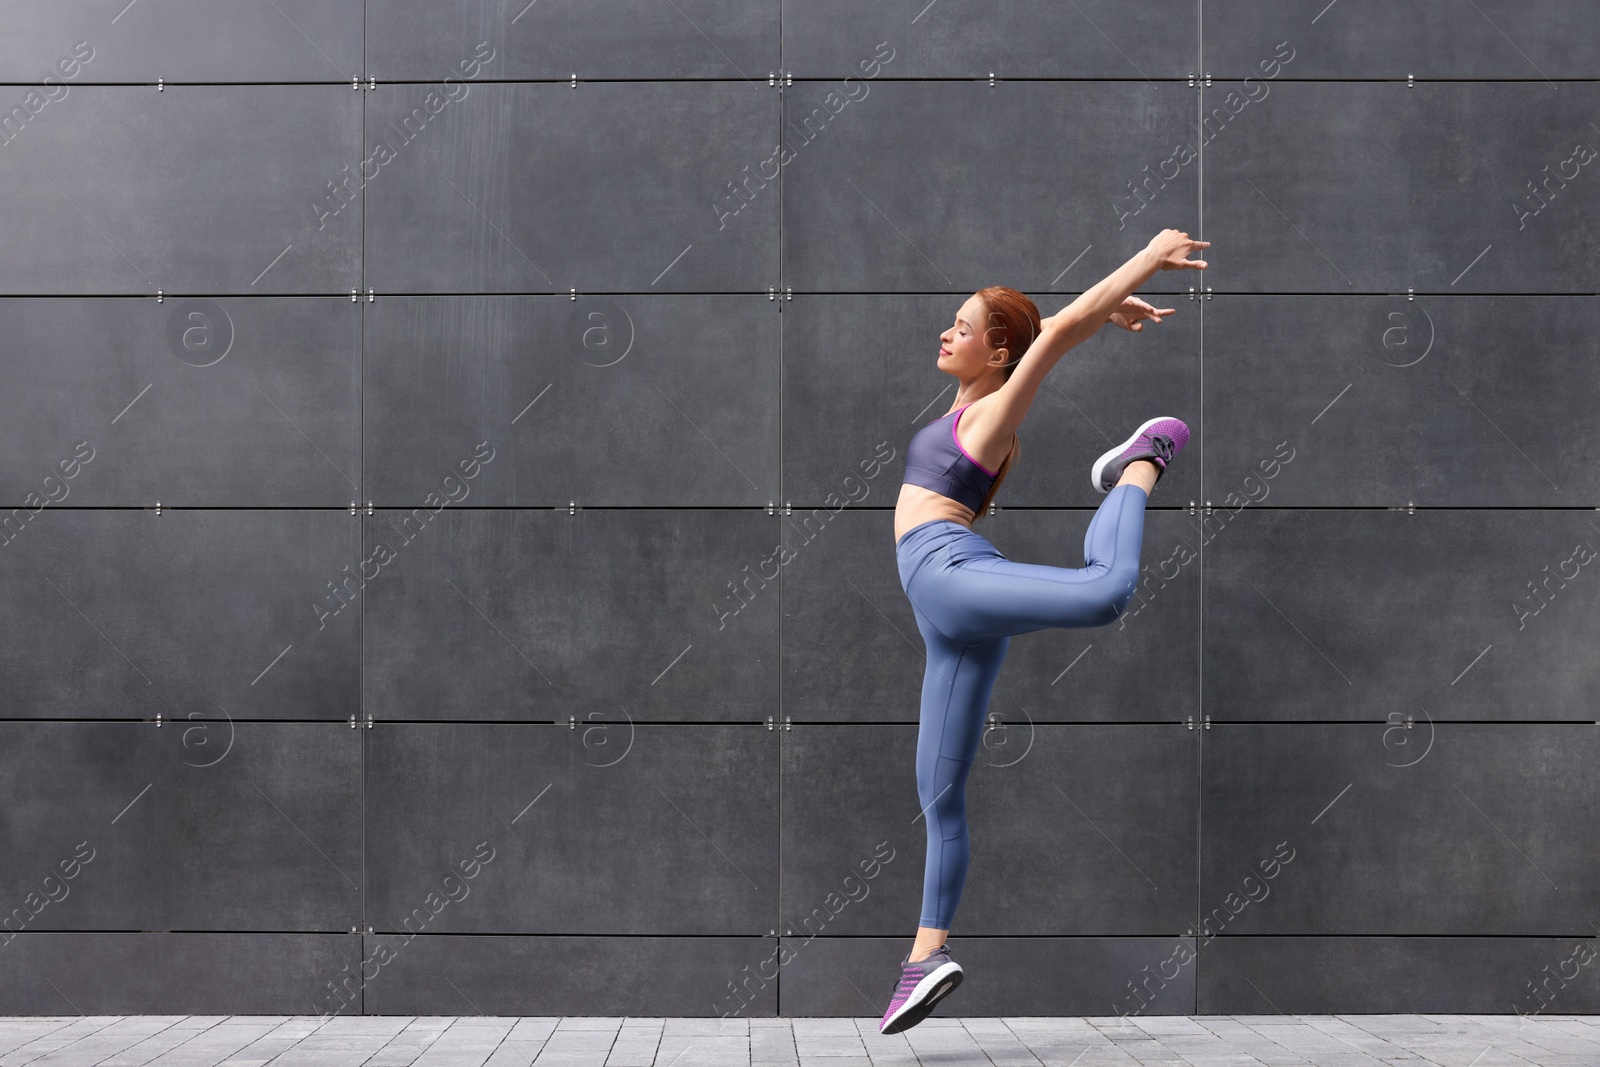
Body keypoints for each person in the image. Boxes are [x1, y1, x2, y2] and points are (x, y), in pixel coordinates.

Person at [877, 229, 1209, 1035]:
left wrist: (1144, 258)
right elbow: (1048, 329)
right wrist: (1100, 309)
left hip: (949, 574)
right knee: (940, 792)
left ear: (996, 355)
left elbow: (1048, 337)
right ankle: (925, 960)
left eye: (962, 325)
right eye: (950, 321)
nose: (945, 332)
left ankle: (1142, 462)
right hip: (943, 610)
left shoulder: (990, 416)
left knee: (1106, 591)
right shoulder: (970, 407)